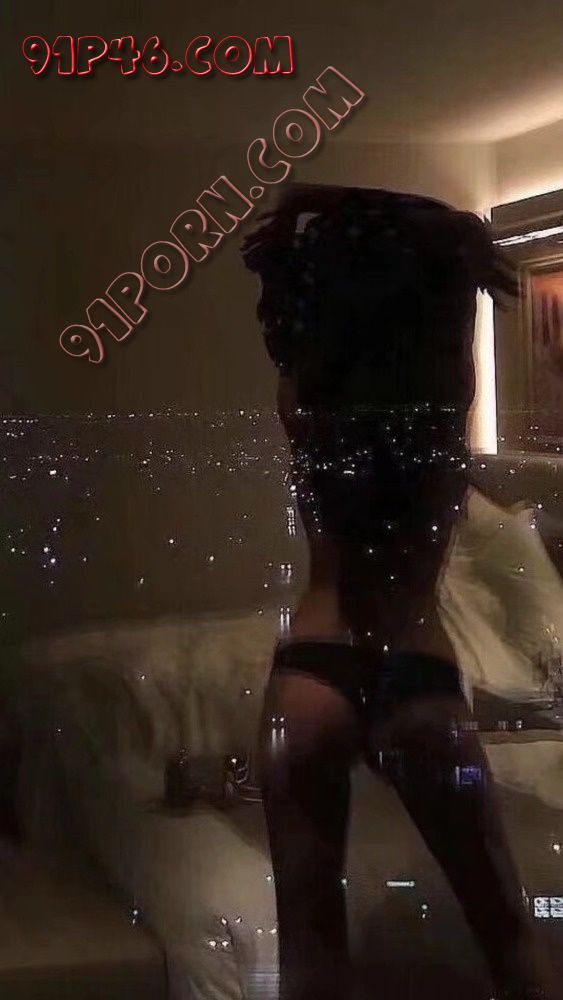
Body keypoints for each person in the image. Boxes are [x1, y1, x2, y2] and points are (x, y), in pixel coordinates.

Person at [241, 182, 553, 1000]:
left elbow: (290, 318)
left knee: (310, 947)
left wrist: (309, 215)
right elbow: (449, 253)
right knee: (507, 935)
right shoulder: (445, 401)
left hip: (312, 674)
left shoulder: (306, 398)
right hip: (414, 670)